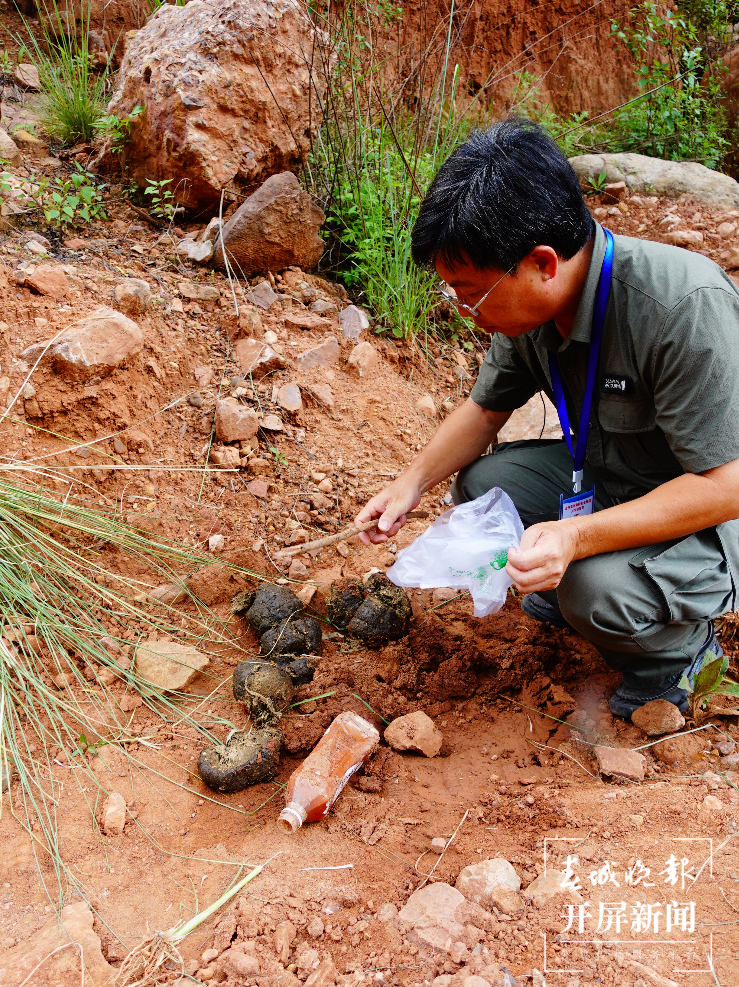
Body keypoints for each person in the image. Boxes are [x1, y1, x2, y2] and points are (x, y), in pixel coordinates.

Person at [354, 117, 739, 718]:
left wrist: (575, 537)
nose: (464, 310)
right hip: (615, 476)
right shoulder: (529, 311)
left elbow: (726, 485)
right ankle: (579, 584)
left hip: (709, 513)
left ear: (542, 263)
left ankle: (679, 657)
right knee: (484, 485)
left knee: (593, 588)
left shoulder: (681, 308)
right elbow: (485, 410)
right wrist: (410, 483)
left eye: (471, 293)